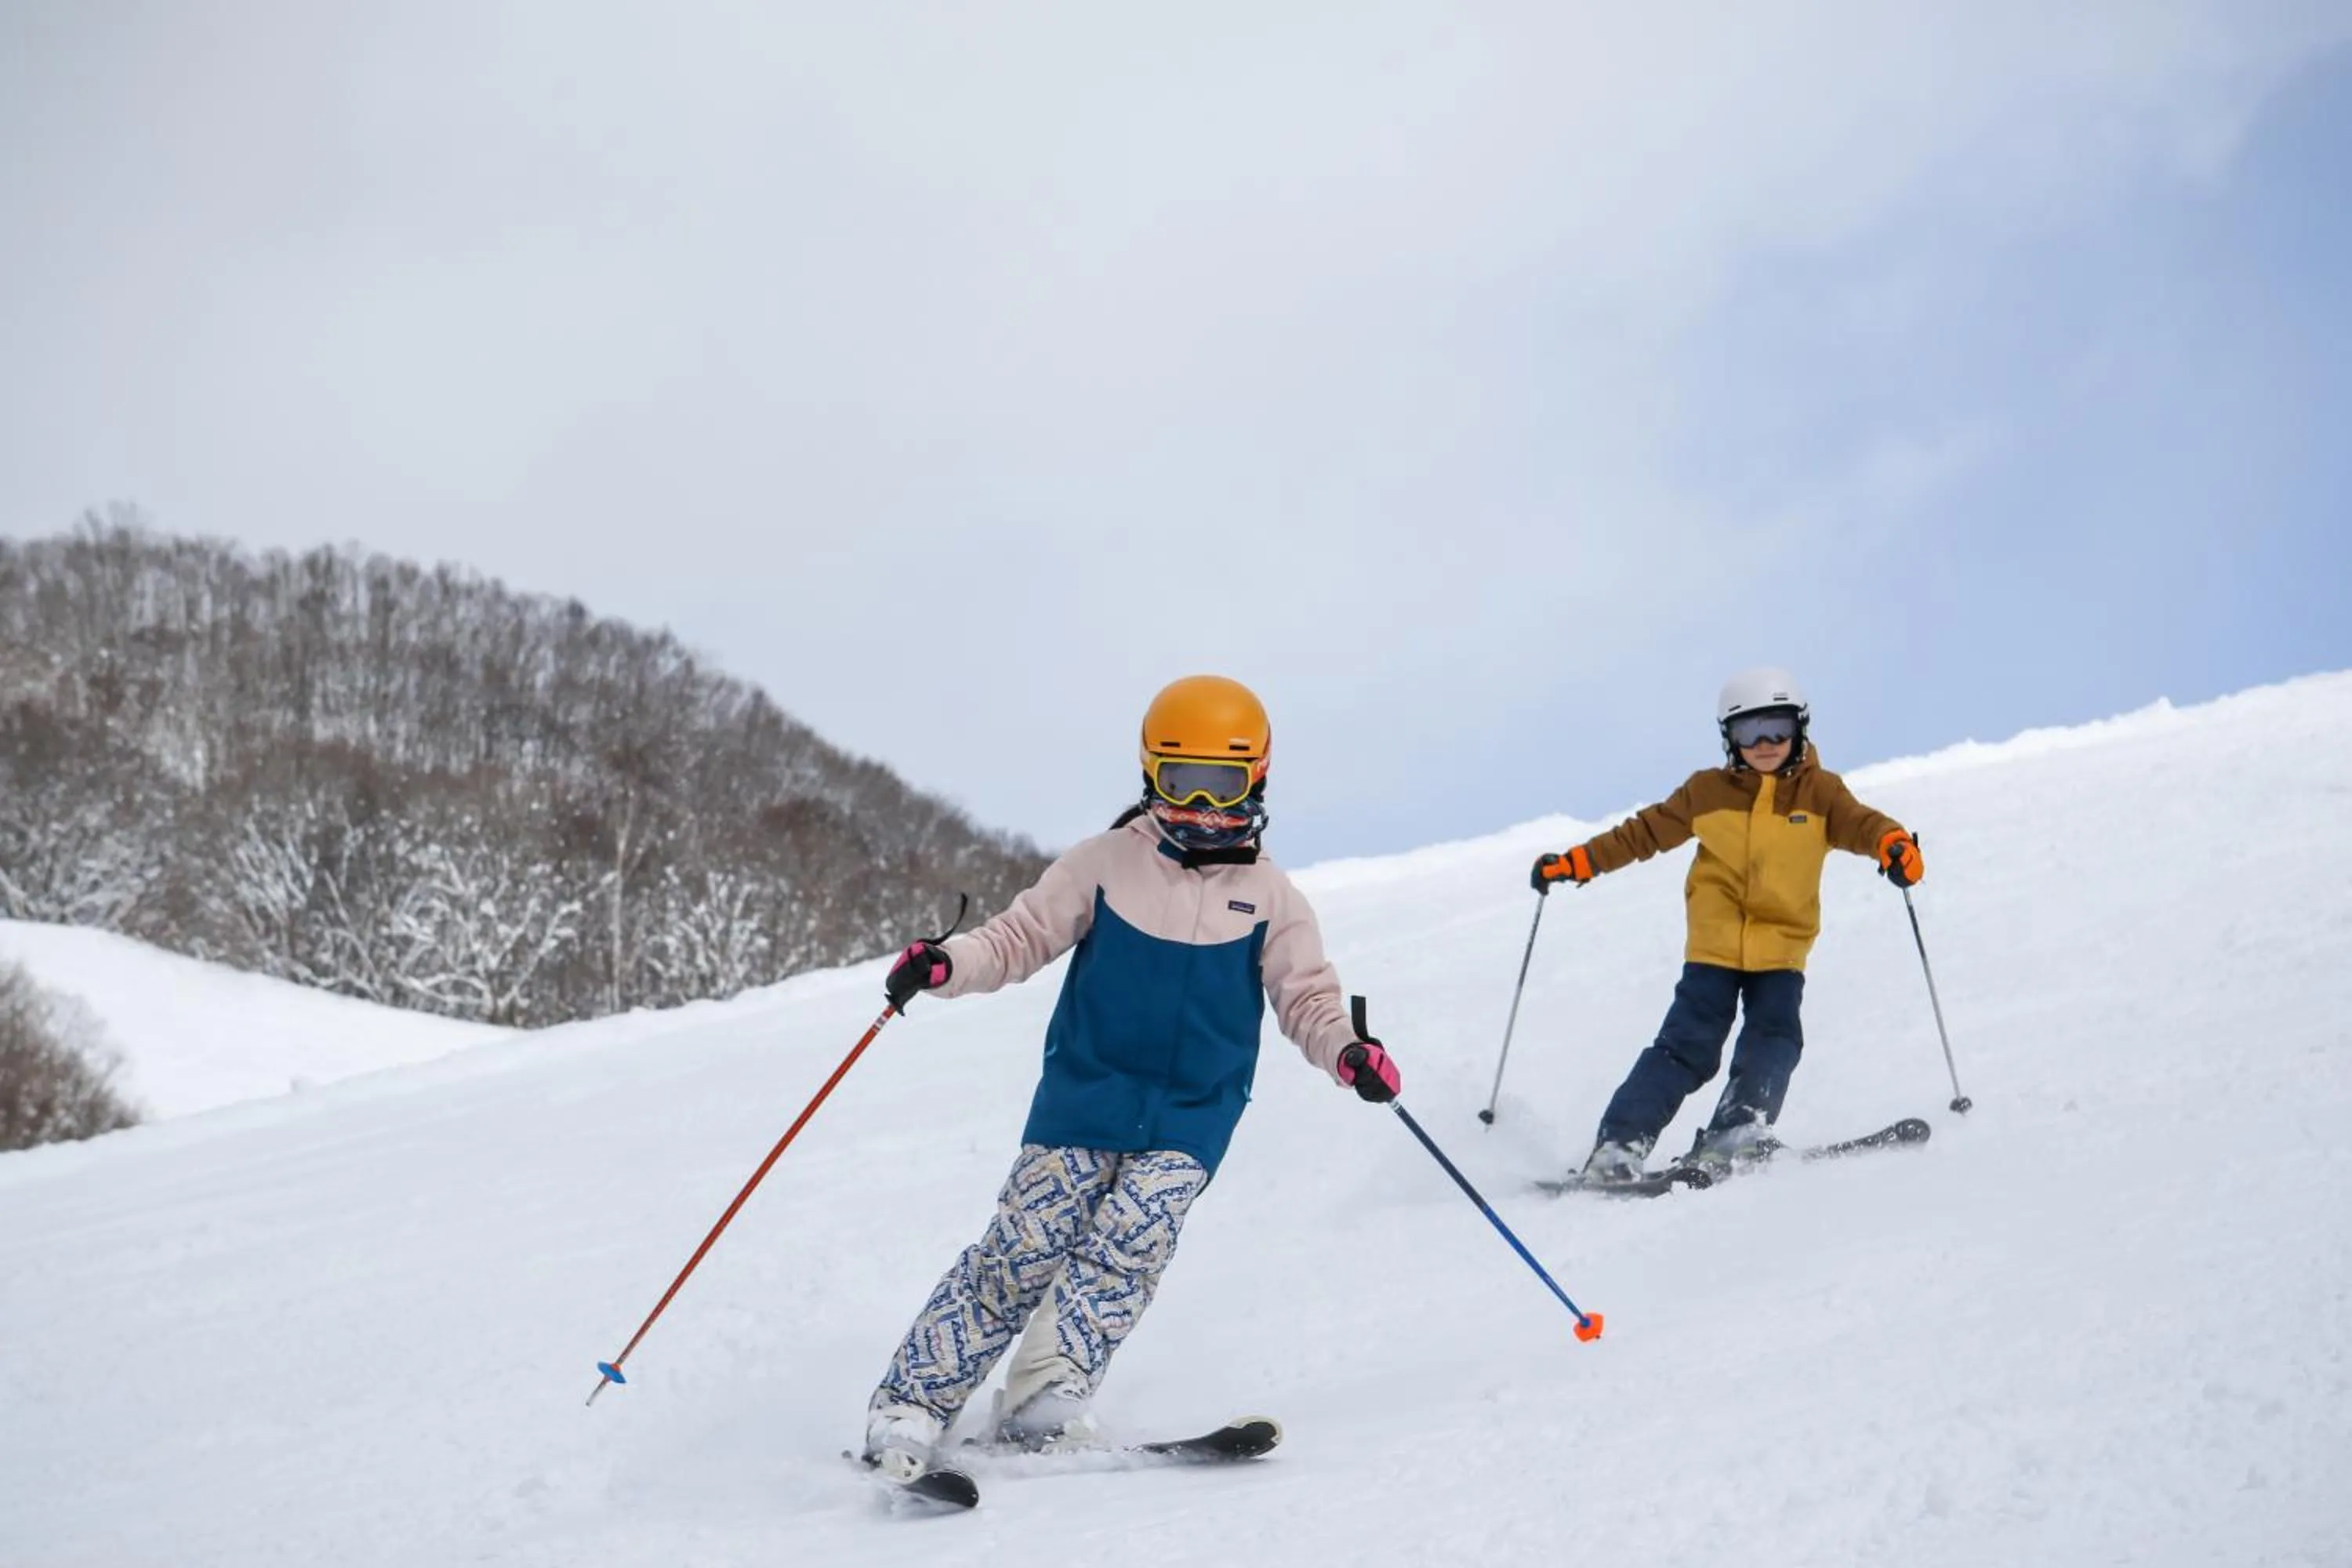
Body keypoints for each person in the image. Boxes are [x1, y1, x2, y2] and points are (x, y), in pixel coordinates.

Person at [859, 674, 1402, 1479]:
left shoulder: (1271, 896)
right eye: (1180, 784)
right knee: (1021, 1250)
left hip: (1194, 1112)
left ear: (1257, 777)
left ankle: (1046, 1395)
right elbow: (1017, 936)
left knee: (1131, 1244)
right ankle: (914, 1401)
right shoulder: (1106, 863)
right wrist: (947, 962)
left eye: (1223, 785)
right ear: (1152, 775)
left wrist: (1348, 1050)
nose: (1201, 808)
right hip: (1085, 1093)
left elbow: (1308, 997)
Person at [1529, 667, 1922, 1185]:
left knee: (1774, 1037)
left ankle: (1737, 1130)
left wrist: (1894, 844)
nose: (1763, 743)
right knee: (1684, 1047)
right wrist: (1582, 862)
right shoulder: (1706, 791)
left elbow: (1863, 824)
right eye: (1747, 732)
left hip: (1782, 949)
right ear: (1728, 738)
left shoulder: (1822, 793)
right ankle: (1619, 1145)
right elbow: (1643, 833)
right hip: (1713, 949)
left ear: (1800, 730)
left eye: (1777, 729)